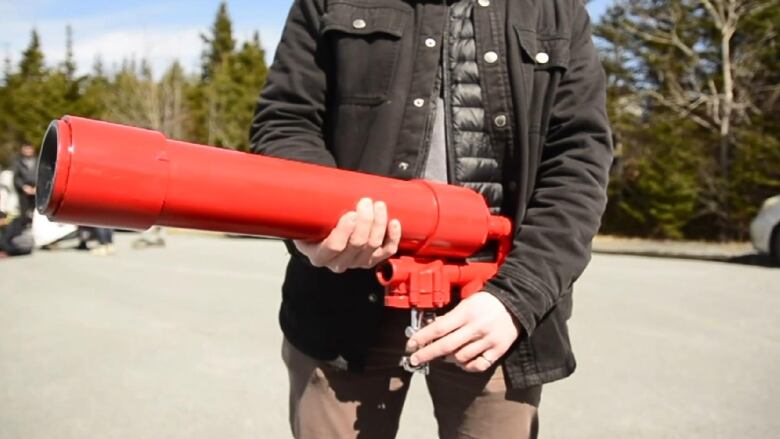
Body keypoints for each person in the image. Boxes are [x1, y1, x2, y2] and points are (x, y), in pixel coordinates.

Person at [250, 1, 612, 438]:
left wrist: (516, 298)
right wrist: (313, 223)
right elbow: (286, 123)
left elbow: (578, 166)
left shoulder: (556, 11)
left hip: (493, 310)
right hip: (342, 300)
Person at [12, 144, 38, 225]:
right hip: (24, 191)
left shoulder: (38, 161)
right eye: (26, 149)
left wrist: (37, 187)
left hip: (37, 190)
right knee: (24, 213)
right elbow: (16, 178)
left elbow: (43, 175)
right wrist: (23, 187)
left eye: (29, 149)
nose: (28, 151)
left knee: (37, 213)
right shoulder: (18, 162)